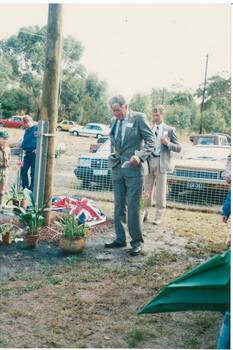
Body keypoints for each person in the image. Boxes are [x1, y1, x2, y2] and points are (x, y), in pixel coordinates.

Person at [105, 95, 155, 256]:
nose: (116, 114)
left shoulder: (139, 118)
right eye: (113, 111)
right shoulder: (113, 121)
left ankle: (136, 242)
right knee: (118, 205)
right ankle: (120, 239)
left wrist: (139, 156)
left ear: (126, 107)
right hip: (117, 168)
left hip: (134, 169)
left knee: (133, 207)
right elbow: (114, 142)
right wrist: (113, 156)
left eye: (118, 110)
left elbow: (151, 141)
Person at [143, 105, 181, 225]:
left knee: (160, 191)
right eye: (153, 115)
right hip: (149, 162)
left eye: (157, 115)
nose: (155, 117)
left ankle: (159, 215)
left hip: (161, 162)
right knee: (146, 190)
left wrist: (168, 143)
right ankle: (144, 213)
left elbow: (179, 148)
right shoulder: (149, 128)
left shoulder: (170, 129)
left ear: (162, 115)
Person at [20, 115, 38, 191]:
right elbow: (24, 142)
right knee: (23, 169)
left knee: (33, 173)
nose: (27, 124)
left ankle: (32, 188)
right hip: (27, 154)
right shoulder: (27, 131)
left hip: (35, 154)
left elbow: (42, 141)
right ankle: (25, 187)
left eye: (28, 122)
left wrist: (38, 148)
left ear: (32, 121)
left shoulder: (37, 128)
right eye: (25, 123)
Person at [0, 130, 10, 207]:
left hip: (4, 171)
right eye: (3, 138)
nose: (5, 140)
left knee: (2, 190)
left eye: (6, 139)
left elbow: (8, 159)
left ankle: (1, 204)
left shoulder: (7, 149)